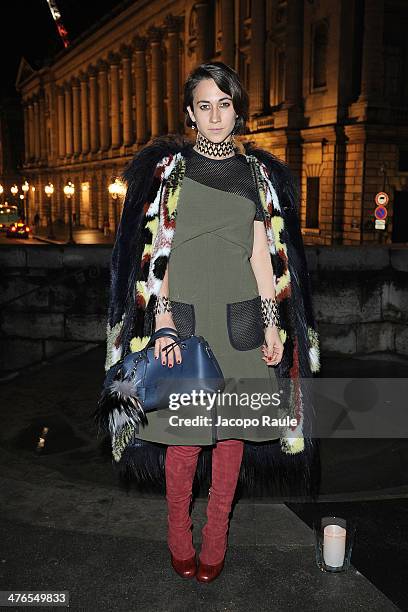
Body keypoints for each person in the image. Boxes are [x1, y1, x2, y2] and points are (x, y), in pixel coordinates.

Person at [97, 62, 321, 583]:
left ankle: (216, 534)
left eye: (224, 104)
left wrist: (271, 325)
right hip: (187, 324)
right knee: (184, 440)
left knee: (231, 439)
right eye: (205, 106)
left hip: (242, 319)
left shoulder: (257, 174)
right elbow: (156, 255)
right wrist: (165, 323)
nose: (215, 115)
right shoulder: (168, 173)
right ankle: (180, 532)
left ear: (237, 110)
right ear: (190, 115)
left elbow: (264, 258)